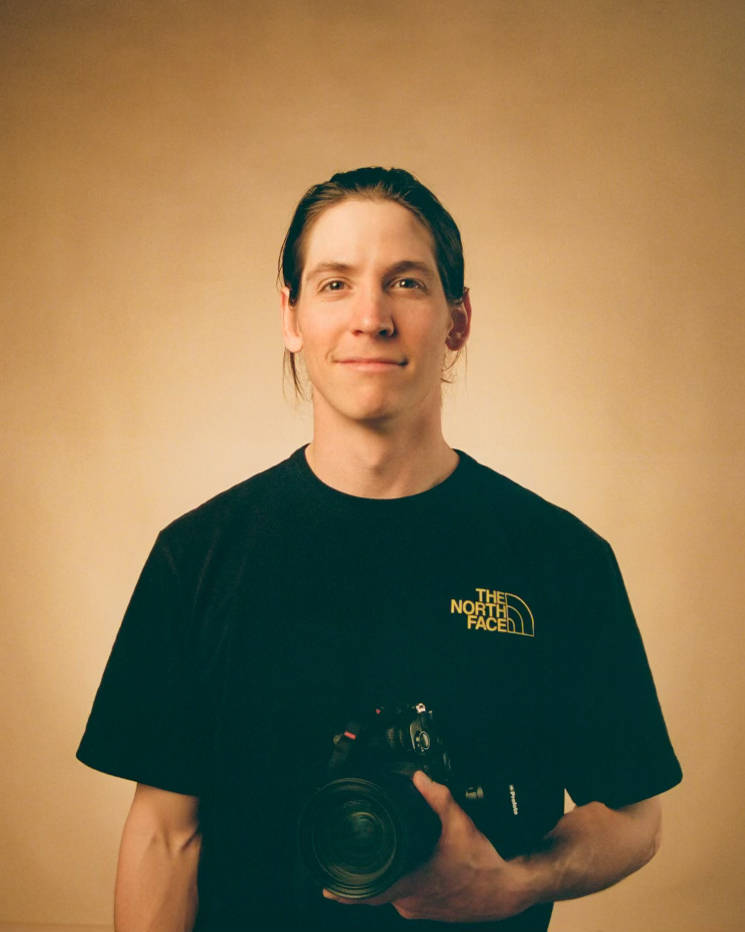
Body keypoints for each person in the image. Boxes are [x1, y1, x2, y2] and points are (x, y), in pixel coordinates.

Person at [77, 167, 682, 932]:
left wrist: (513, 883)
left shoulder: (559, 559)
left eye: (405, 283)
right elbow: (166, 837)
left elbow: (635, 818)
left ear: (457, 320)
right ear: (291, 316)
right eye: (334, 284)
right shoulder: (195, 559)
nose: (370, 318)